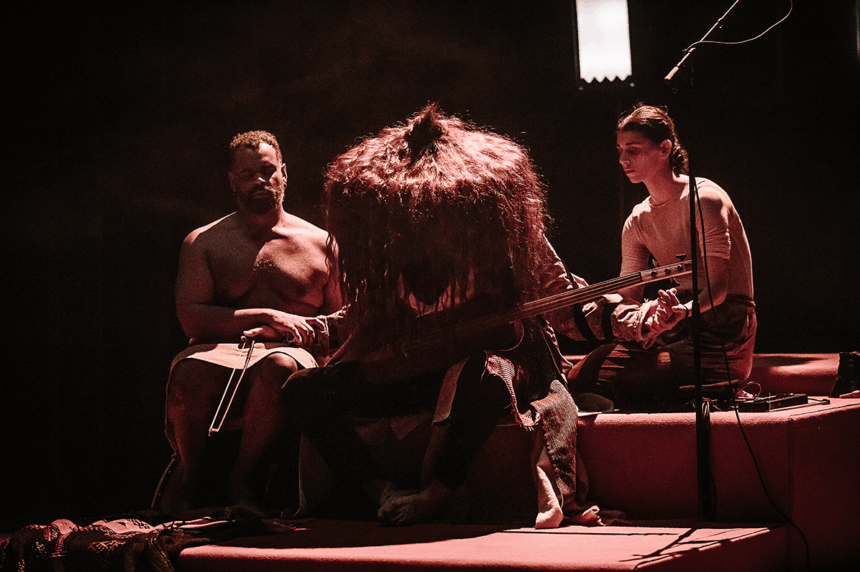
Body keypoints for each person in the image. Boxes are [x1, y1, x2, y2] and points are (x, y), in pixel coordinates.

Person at [281, 104, 629, 528]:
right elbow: (363, 317)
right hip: (420, 369)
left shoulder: (499, 231)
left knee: (483, 377)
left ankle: (437, 494)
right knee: (303, 390)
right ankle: (380, 490)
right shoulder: (399, 243)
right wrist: (311, 331)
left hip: (491, 368)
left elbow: (565, 298)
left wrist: (629, 322)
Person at [164, 130, 342, 512]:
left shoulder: (320, 243)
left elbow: (347, 316)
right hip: (222, 351)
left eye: (268, 170)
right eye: (248, 174)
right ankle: (194, 480)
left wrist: (294, 330)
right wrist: (266, 315)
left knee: (277, 366)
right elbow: (191, 318)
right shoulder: (204, 242)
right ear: (232, 181)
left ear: (284, 173)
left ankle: (241, 479)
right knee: (186, 377)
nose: (260, 180)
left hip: (293, 354)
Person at [568, 104, 756, 411]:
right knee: (581, 377)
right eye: (619, 150)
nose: (623, 159)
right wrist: (593, 296)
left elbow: (719, 290)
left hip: (724, 337)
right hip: (676, 329)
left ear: (665, 148)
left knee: (624, 379)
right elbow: (629, 298)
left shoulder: (703, 198)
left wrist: (683, 310)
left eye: (634, 149)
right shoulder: (637, 221)